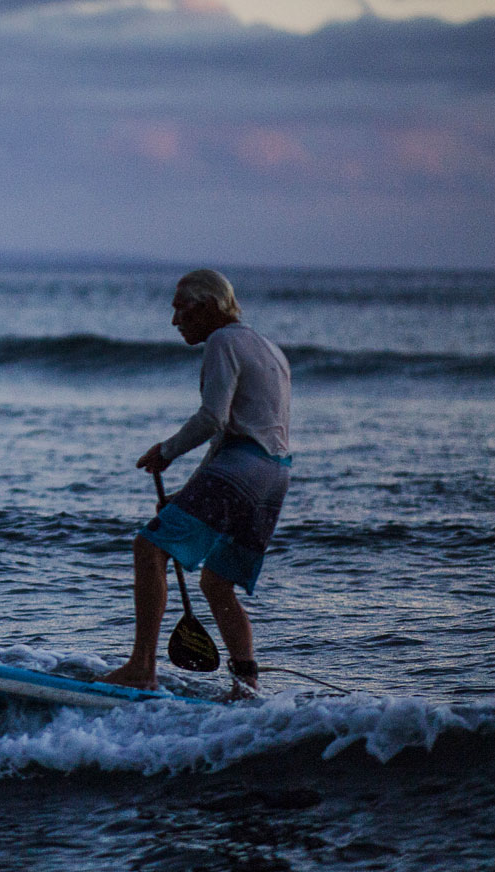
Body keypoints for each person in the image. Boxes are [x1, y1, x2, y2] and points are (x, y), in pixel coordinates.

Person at [101, 269, 291, 694]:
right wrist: (188, 495)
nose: (175, 322)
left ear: (208, 307)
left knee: (149, 548)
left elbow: (213, 419)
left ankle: (141, 667)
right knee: (216, 582)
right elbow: (243, 432)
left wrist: (166, 452)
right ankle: (248, 686)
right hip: (275, 475)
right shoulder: (269, 347)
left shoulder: (223, 341)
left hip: (242, 465)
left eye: (180, 310)